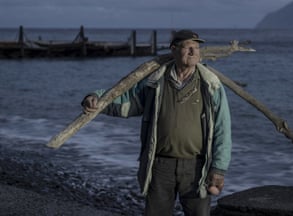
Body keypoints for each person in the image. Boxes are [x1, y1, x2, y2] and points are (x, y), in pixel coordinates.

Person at [82, 29, 232, 216]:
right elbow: (126, 100)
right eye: (188, 47)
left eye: (196, 47)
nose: (193, 52)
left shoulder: (211, 85)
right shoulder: (155, 82)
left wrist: (218, 168)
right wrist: (96, 98)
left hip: (197, 168)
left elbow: (222, 129)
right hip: (160, 166)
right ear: (174, 50)